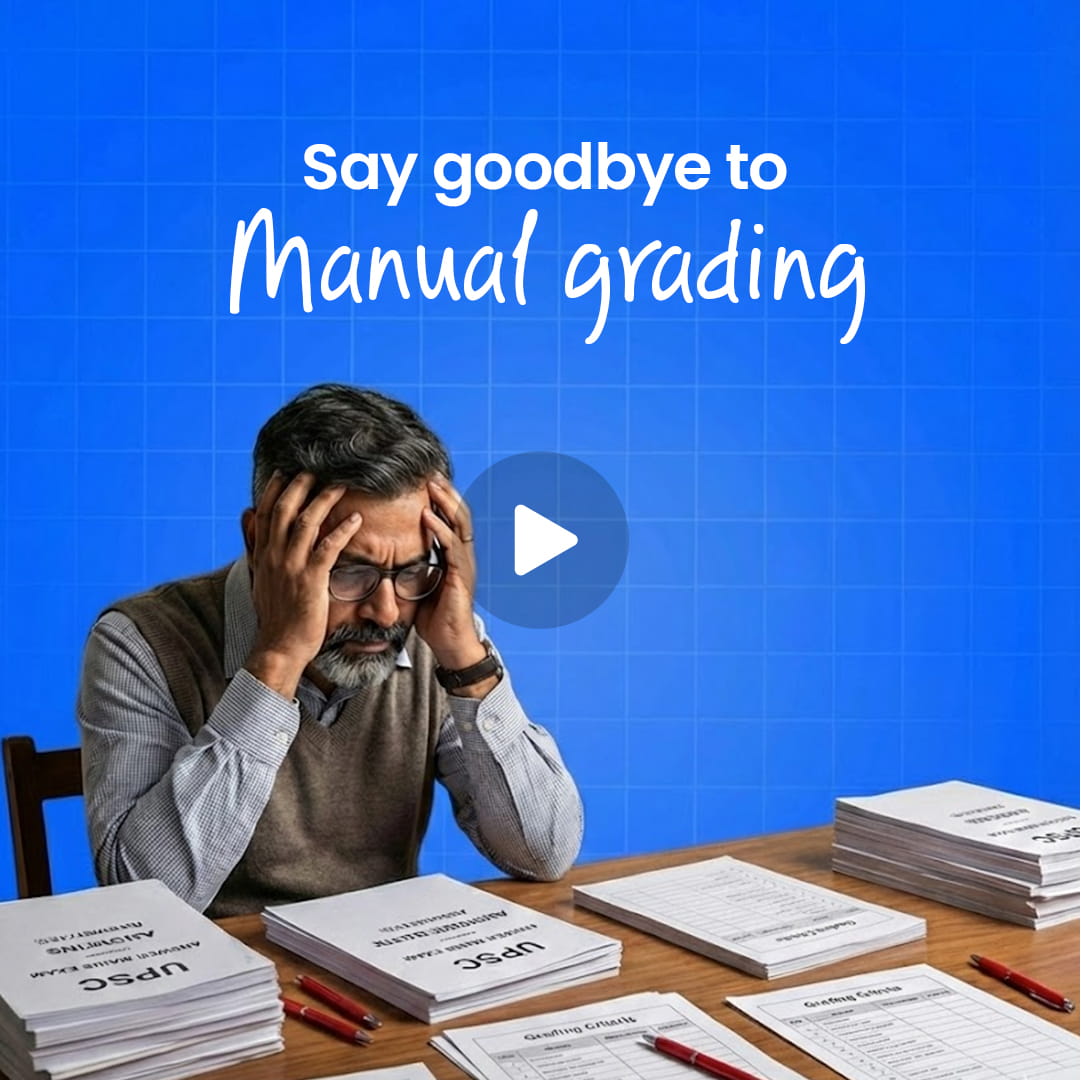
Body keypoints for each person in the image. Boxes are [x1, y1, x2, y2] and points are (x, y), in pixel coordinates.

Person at [78, 384, 583, 917]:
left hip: (383, 967)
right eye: (347, 570)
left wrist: (466, 659)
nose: (386, 612)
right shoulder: (139, 643)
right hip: (222, 981)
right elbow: (144, 903)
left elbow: (543, 853)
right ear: (260, 543)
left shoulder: (437, 631)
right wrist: (275, 663)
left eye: (411, 568)